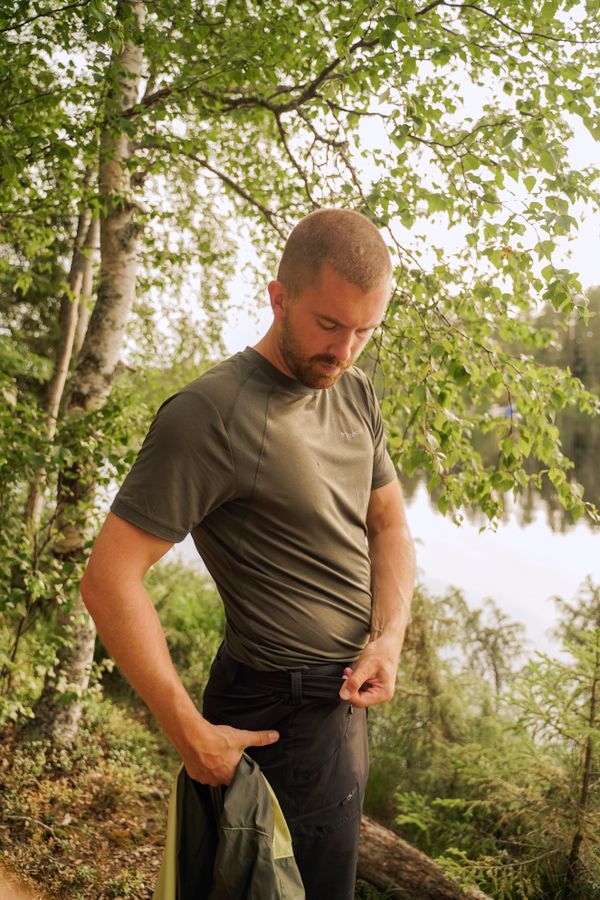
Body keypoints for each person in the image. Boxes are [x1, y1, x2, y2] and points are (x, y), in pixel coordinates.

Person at [80, 208, 416, 899]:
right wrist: (187, 730)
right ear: (279, 298)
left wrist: (389, 636)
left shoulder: (354, 391)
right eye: (329, 325)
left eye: (364, 331)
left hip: (339, 716)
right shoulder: (209, 414)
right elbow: (109, 579)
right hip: (270, 722)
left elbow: (388, 524)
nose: (345, 351)